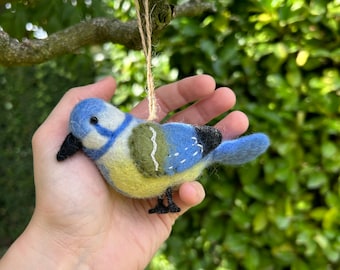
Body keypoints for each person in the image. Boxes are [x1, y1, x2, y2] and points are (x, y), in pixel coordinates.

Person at [0, 75, 249, 269]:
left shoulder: (134, 147)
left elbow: (176, 150)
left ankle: (170, 196)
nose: (86, 137)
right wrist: (66, 243)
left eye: (93, 125)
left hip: (188, 155)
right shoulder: (105, 160)